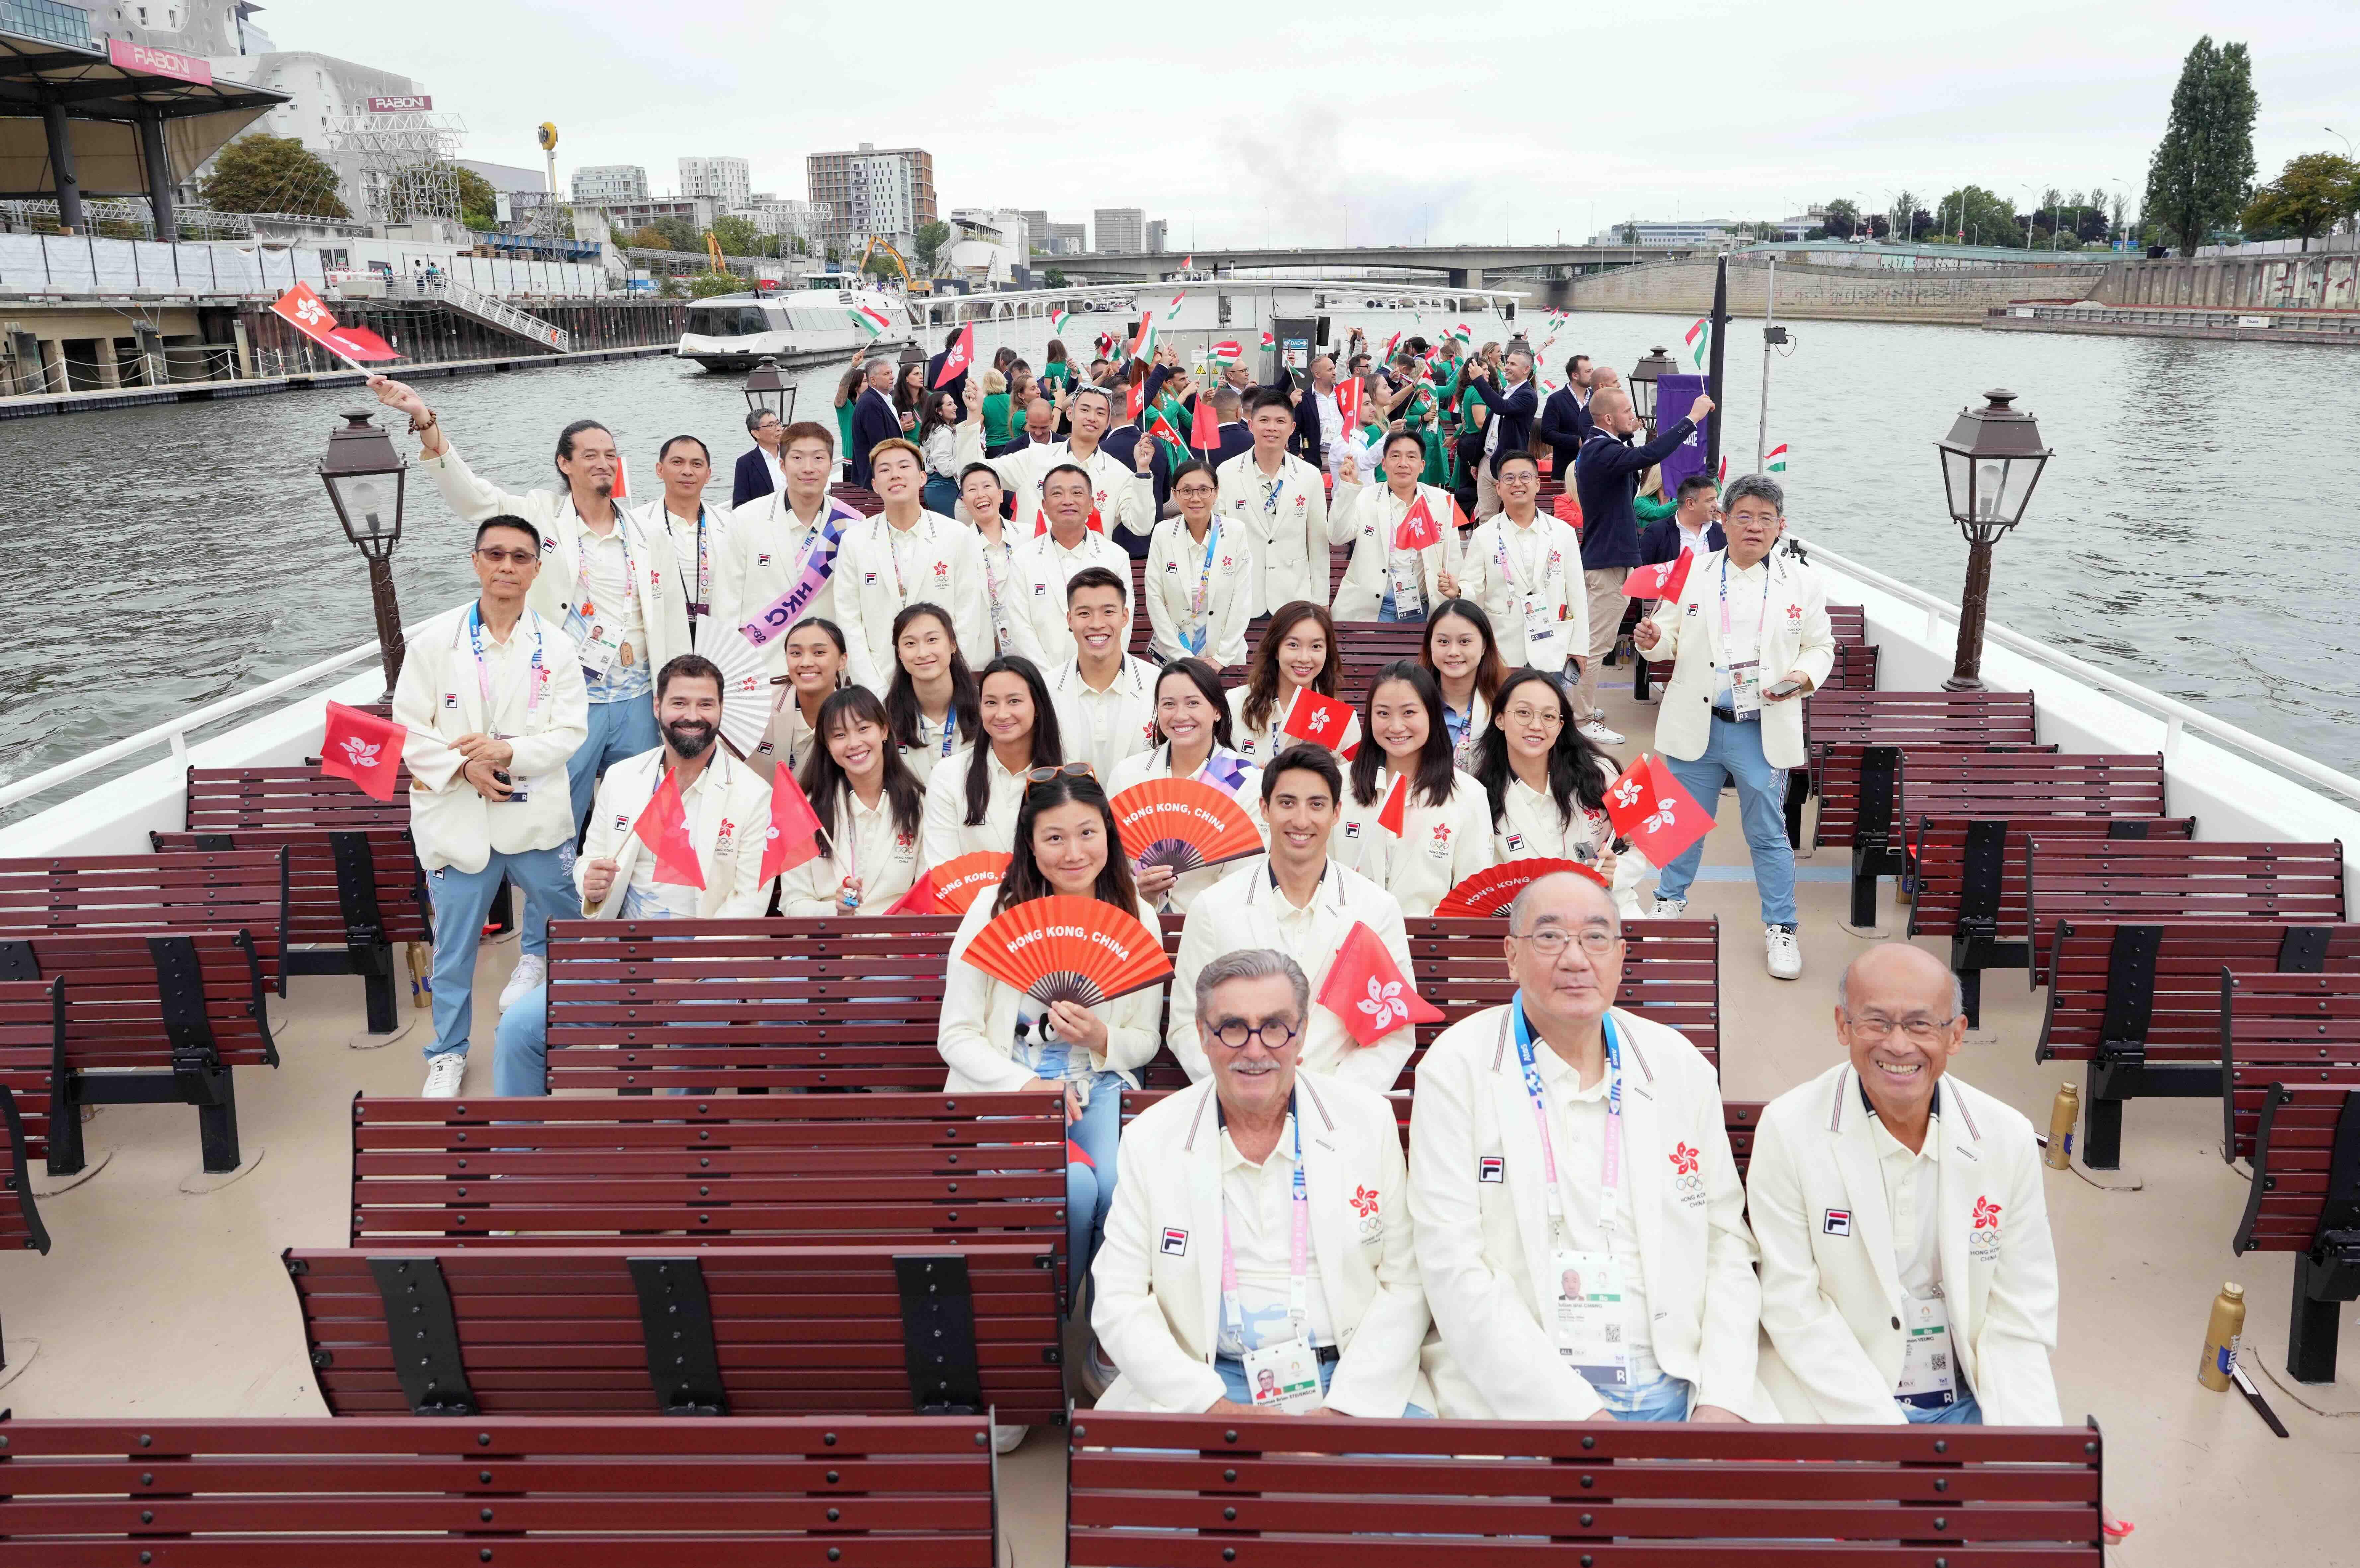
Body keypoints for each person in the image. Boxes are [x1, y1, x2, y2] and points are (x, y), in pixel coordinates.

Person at [1409, 869, 1773, 1421]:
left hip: (1677, 1382)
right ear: (1511, 954)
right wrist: (1577, 1416)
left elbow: (1727, 1246)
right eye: (1550, 936)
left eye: (1596, 937)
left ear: (1621, 955)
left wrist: (1720, 1400)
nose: (1576, 958)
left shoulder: (1676, 1064)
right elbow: (1453, 1264)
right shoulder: (1457, 1067)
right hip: (1522, 1395)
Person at [1090, 947, 1435, 1415]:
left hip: (1351, 1374)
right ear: (1202, 1035)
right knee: (1127, 1482)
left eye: (1274, 1027)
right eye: (1232, 1027)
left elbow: (1406, 1283)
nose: (1255, 1051)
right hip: (1203, 1378)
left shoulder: (1366, 1122)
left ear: (1302, 1034)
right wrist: (1214, 1410)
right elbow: (1119, 1299)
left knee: (1419, 1478)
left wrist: (1342, 1413)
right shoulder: (1149, 1138)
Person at [369, 378, 690, 845]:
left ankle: (627, 909)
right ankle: (561, 910)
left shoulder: (645, 531)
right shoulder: (539, 515)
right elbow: (470, 497)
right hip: (566, 703)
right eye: (589, 455)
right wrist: (425, 421)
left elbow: (671, 618)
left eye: (609, 454)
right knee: (560, 817)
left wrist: (674, 690)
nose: (603, 463)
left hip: (637, 697)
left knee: (640, 817)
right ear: (565, 463)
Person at [1749, 944, 2061, 1426]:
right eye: (1875, 1022)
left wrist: (2029, 1451)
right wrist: (1886, 1434)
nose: (1897, 1045)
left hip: (1964, 1391)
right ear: (1842, 1026)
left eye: (1920, 1024)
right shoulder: (1788, 1129)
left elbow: (2021, 1312)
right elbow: (1792, 1305)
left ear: (1955, 1034)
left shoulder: (2006, 1138)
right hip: (1831, 1394)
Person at [490, 652, 771, 1096]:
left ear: (720, 710)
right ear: (657, 706)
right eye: (679, 704)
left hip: (707, 959)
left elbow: (749, 903)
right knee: (518, 1033)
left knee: (695, 1038)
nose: (692, 716)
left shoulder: (753, 796)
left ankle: (680, 1150)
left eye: (705, 705)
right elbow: (591, 858)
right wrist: (591, 883)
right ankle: (520, 1159)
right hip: (621, 952)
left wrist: (684, 969)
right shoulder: (622, 778)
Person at [938, 767, 1161, 1306]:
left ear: (1108, 832)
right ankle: (1056, 1311)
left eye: (1088, 832)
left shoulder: (1137, 916)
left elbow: (1145, 1039)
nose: (1074, 852)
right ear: (1030, 845)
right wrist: (1024, 1085)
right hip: (1006, 1091)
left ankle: (1102, 1321)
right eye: (1054, 837)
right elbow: (957, 1034)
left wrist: (1103, 1034)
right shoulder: (993, 910)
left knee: (1115, 1187)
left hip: (1096, 1088)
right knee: (1076, 1187)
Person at [394, 517, 588, 1098]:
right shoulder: (432, 643)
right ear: (476, 561)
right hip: (460, 821)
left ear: (536, 568)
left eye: (520, 557)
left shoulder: (557, 647)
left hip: (535, 820)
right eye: (496, 554)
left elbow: (571, 731)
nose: (508, 565)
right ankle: (447, 1052)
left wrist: (509, 752)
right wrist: (464, 767)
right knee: (452, 949)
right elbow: (408, 731)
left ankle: (580, 1021)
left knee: (572, 927)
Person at [1633, 474, 1834, 980]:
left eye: (1765, 518)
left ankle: (1781, 929)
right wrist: (1651, 638)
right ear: (1723, 520)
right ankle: (1668, 903)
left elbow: (1821, 647)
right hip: (1696, 721)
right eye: (1743, 516)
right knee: (1679, 825)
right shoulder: (1694, 571)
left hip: (1761, 727)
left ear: (1780, 527)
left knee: (1768, 833)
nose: (1754, 526)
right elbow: (1666, 638)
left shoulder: (1802, 583)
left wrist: (1799, 678)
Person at [1168, 745, 1414, 1088]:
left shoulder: (1376, 908)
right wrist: (1249, 1083)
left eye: (1316, 804)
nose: (1301, 820)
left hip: (1340, 1104)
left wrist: (1331, 1096)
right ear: (1265, 809)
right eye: (1287, 803)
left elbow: (1393, 1030)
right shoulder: (1213, 907)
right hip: (1242, 1097)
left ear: (1336, 812)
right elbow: (1186, 1026)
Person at [1571, 384, 1712, 742]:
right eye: (1626, 412)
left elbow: (1637, 456)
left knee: (1594, 641)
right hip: (1606, 563)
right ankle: (1581, 718)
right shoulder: (1602, 449)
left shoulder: (1605, 447)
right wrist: (1692, 419)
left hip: (1609, 558)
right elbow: (1650, 455)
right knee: (1595, 644)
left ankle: (1578, 705)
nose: (1633, 416)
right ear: (1607, 418)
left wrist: (1633, 435)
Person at [1471, 668, 1646, 915]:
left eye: (1549, 717)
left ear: (1561, 725)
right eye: (1523, 713)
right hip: (1532, 925)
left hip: (1611, 911)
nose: (1535, 726)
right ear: (1500, 719)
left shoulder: (1599, 774)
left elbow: (1640, 843)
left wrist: (1618, 873)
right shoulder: (1481, 794)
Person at [1331, 661, 1492, 916]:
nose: (1396, 727)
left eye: (1409, 713)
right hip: (1345, 942)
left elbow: (1471, 897)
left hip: (1429, 946)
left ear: (1432, 714)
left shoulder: (1469, 795)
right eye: (1383, 713)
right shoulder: (1338, 784)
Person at [830, 439, 992, 693]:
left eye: (904, 467)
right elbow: (849, 619)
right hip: (880, 678)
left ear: (922, 478)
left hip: (944, 680)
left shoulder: (956, 535)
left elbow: (969, 614)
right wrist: (872, 687)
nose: (895, 475)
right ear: (874, 485)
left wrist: (950, 679)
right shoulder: (855, 541)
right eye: (884, 470)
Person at [1106, 658, 1266, 914]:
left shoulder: (1246, 780)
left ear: (1217, 711)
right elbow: (1111, 867)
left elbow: (1244, 881)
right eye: (1168, 704)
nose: (1180, 716)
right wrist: (1141, 892)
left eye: (1193, 703)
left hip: (1216, 930)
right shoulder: (1127, 775)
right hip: (1140, 924)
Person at [710, 421, 862, 686]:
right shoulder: (746, 519)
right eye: (797, 458)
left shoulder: (851, 524)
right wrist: (725, 672)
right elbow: (726, 601)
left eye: (818, 458)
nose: (808, 468)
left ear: (831, 464)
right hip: (759, 673)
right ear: (782, 465)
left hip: (828, 675)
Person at [777, 685, 925, 917]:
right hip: (824, 946)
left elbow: (926, 896)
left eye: (863, 729)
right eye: (839, 735)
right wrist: (836, 911)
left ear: (884, 731)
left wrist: (880, 952)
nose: (854, 743)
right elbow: (792, 903)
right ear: (827, 745)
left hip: (894, 948)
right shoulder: (806, 811)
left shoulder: (919, 806)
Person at [958, 382, 1155, 542]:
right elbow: (973, 472)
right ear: (1070, 414)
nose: (1092, 418)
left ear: (1108, 421)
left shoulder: (1118, 474)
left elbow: (1142, 526)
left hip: (1090, 579)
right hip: (1035, 576)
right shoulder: (1035, 458)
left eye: (1101, 413)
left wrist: (1143, 472)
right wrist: (973, 417)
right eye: (1085, 410)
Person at [921, 654, 1067, 863]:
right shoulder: (948, 775)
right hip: (970, 896)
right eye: (991, 703)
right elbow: (943, 870)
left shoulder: (1068, 774)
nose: (1002, 714)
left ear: (1038, 707)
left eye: (1014, 701)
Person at [1465, 452, 1589, 697]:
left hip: (1552, 644)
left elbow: (1577, 594)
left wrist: (1579, 648)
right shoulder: (1484, 535)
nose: (1517, 484)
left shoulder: (1562, 533)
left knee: (1548, 717)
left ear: (1538, 483)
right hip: (1502, 648)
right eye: (1509, 479)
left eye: (1525, 476)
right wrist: (1457, 592)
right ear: (1498, 488)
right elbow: (1473, 588)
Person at [1004, 464, 1137, 667]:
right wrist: (1050, 679)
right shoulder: (1023, 559)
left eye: (1077, 493)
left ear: (1092, 504)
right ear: (1045, 506)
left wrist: (1103, 669)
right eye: (1057, 494)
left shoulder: (1116, 556)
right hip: (1042, 682)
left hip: (1101, 674)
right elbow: (1020, 626)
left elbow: (1122, 625)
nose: (1068, 501)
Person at [1217, 388, 1331, 614]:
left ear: (1291, 428)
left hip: (1294, 597)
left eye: (1280, 421)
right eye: (1264, 420)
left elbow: (1318, 544)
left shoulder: (1309, 475)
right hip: (1242, 597)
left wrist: (1321, 601)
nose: (1272, 428)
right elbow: (1220, 540)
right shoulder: (1227, 473)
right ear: (1250, 425)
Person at [1045, 566, 1160, 781]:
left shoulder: (1158, 686)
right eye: (1084, 613)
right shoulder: (1046, 690)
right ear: (1070, 620)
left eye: (1108, 612)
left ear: (1124, 617)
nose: (1097, 624)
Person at [1328, 431, 1455, 622]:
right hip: (1371, 607)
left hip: (1424, 607)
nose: (1403, 463)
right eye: (1395, 456)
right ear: (1384, 464)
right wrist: (1347, 489)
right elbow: (1337, 537)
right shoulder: (1365, 496)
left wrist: (1456, 590)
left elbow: (1453, 560)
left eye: (1411, 457)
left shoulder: (1440, 501)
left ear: (1422, 466)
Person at [1142, 460, 1255, 665]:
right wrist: (1182, 656)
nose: (1195, 498)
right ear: (1175, 494)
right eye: (1186, 491)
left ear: (1216, 492)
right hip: (1174, 658)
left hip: (1226, 658)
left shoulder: (1235, 532)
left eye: (1204, 490)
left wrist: (1222, 658)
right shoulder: (1163, 533)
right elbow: (1155, 599)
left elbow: (1242, 600)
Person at [644, 434, 731, 647]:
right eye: (677, 462)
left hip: (716, 638)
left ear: (709, 474)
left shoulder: (731, 526)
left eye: (697, 464)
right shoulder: (637, 524)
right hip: (660, 638)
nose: (687, 471)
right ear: (660, 470)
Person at [1227, 601, 1340, 764]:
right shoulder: (1236, 702)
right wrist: (1254, 778)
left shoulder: (1337, 717)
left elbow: (1351, 780)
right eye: (1293, 645)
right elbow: (1216, 767)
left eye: (1316, 646)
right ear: (1276, 650)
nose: (1304, 658)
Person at [957, 463, 1047, 663]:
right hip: (979, 652)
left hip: (1028, 649)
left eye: (987, 487)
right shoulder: (957, 546)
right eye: (972, 490)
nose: (980, 494)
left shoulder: (1031, 536)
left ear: (1001, 494)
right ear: (964, 501)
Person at [882, 602, 980, 789]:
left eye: (932, 640)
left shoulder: (985, 706)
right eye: (910, 643)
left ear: (953, 645)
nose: (923, 653)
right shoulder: (883, 714)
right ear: (899, 654)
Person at [753, 616, 847, 775]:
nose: (806, 663)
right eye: (796, 653)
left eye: (819, 652)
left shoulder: (855, 715)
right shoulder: (759, 702)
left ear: (842, 660)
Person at [1420, 599, 1505, 769]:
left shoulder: (1503, 705)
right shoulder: (1414, 702)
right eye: (1443, 642)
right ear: (1430, 646)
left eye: (1465, 642)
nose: (1453, 652)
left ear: (1484, 646)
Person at [1461, 349, 1538, 521]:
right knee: (1486, 515)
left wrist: (1479, 380)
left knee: (1513, 514)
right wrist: (1476, 461)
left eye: (1513, 364)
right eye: (1508, 362)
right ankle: (1487, 547)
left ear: (1526, 370)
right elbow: (1490, 426)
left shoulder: (1528, 395)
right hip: (1487, 460)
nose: (1507, 367)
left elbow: (1501, 407)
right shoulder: (1506, 391)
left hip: (1508, 464)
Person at [1640, 471, 1727, 566]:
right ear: (1690, 504)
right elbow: (1641, 573)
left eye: (1716, 499)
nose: (1716, 505)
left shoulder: (1720, 531)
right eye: (1710, 500)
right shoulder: (1657, 532)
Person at [1536, 354, 1594, 483]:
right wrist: (1577, 442)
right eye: (1588, 371)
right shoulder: (1556, 400)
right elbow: (1547, 434)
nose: (1593, 374)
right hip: (1565, 473)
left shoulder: (1597, 397)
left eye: (1592, 370)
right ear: (1575, 376)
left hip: (1594, 471)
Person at [846, 358, 902, 489]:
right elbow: (880, 446)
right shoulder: (870, 404)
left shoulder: (882, 399)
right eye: (886, 374)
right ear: (873, 380)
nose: (892, 377)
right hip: (878, 481)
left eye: (892, 373)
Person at [917, 390, 965, 517]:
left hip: (933, 489)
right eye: (950, 404)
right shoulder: (944, 432)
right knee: (953, 533)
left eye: (954, 403)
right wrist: (964, 458)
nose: (955, 407)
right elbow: (946, 469)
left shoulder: (931, 430)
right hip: (944, 488)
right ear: (939, 411)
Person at [733, 406, 784, 507]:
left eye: (778, 423)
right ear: (756, 433)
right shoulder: (745, 464)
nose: (779, 429)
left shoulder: (793, 455)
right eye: (771, 426)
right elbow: (739, 505)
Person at [830, 350, 869, 474]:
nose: (870, 384)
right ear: (856, 386)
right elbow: (843, 387)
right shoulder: (845, 407)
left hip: (872, 462)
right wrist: (854, 367)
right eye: (865, 381)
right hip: (851, 464)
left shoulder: (873, 406)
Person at [925, 328, 970, 420]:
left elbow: (928, 387)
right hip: (956, 414)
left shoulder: (933, 360)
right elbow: (963, 391)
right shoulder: (959, 362)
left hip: (938, 412)